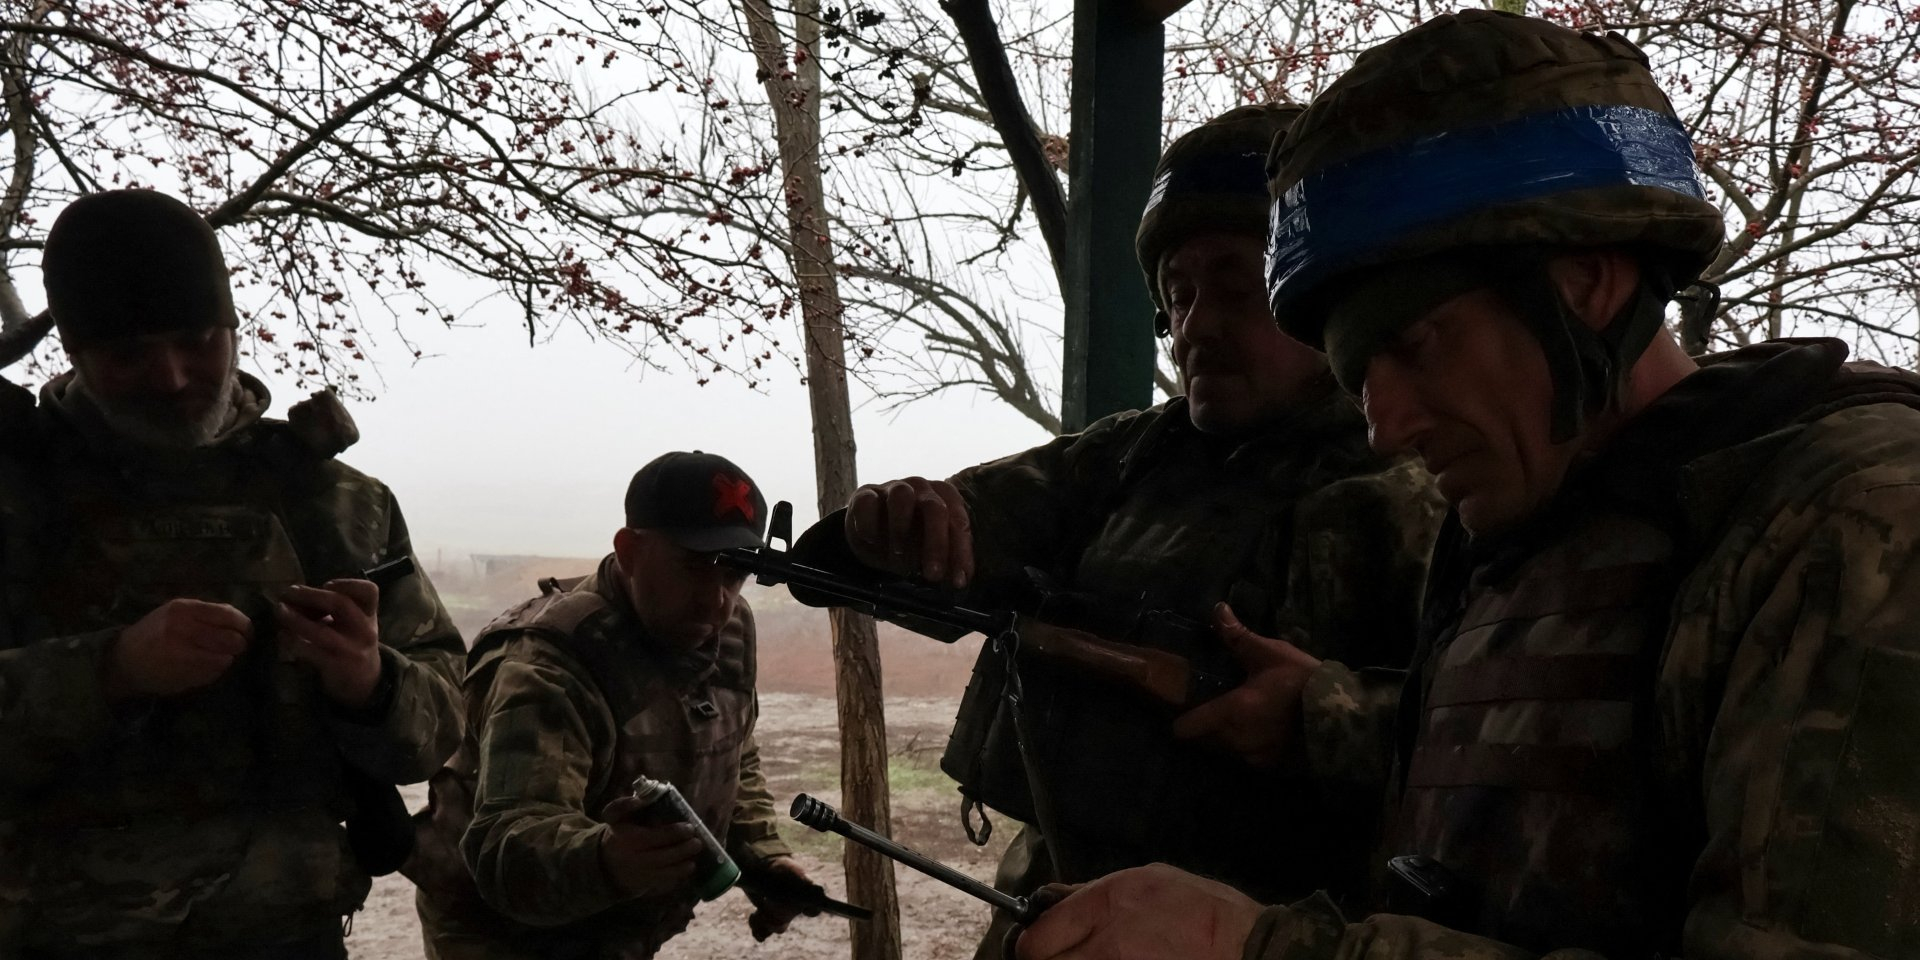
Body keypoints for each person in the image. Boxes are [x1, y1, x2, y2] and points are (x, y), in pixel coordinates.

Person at [1013, 11, 1920, 960]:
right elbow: (1549, 767)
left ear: (1585, 284)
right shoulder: (1536, 513)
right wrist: (1324, 714)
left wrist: (1261, 950)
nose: (1388, 426)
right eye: (1360, 378)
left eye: (1413, 348)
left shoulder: (1853, 527)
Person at [820, 104, 1443, 955]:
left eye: (1236, 288)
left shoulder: (1428, 480)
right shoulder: (1129, 459)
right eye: (1178, 296)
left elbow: (1505, 751)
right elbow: (957, 534)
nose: (1196, 326)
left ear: (1322, 293)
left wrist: (1324, 716)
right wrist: (889, 522)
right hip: (1057, 919)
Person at [0, 189, 466, 958]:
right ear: (74, 353)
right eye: (130, 355)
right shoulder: (18, 499)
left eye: (197, 341)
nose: (175, 377)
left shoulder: (336, 505)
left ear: (233, 330)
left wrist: (368, 682)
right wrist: (110, 669)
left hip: (288, 935)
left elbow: (436, 727)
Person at [408, 451, 815, 959]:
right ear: (629, 552)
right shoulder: (549, 664)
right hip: (501, 938)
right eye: (694, 567)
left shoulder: (724, 628)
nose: (717, 602)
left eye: (734, 574)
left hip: (619, 929)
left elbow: (731, 750)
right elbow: (504, 844)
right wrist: (605, 859)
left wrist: (763, 861)